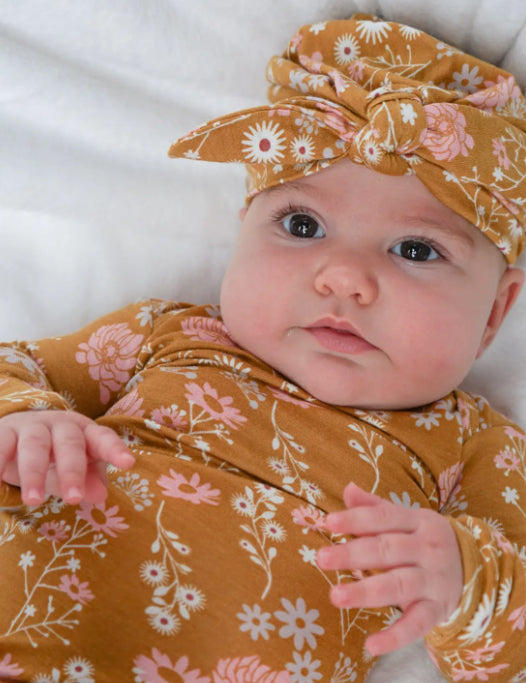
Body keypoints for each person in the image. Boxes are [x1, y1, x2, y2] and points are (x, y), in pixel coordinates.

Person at [1, 14, 526, 683]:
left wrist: (466, 580)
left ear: (495, 314)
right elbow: (17, 364)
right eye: (302, 225)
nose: (343, 277)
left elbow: (509, 656)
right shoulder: (169, 335)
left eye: (416, 249)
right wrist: (26, 416)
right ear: (243, 227)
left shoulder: (474, 445)